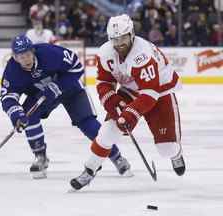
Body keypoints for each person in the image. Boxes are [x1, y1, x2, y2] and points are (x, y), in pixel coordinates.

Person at [70, 14, 186, 190]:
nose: (119, 43)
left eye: (123, 37)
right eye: (114, 39)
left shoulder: (143, 54)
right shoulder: (105, 52)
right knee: (108, 131)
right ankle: (90, 169)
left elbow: (150, 92)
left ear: (131, 34)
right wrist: (111, 100)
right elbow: (104, 82)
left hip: (160, 90)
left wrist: (130, 114)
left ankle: (176, 153)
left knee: (167, 149)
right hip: (131, 89)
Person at [0, 34, 133, 179]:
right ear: (14, 57)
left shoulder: (50, 53)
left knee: (88, 123)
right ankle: (40, 157)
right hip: (42, 95)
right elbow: (8, 97)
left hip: (70, 89)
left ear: (33, 51)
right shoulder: (12, 71)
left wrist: (58, 86)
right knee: (27, 115)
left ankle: (117, 157)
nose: (25, 59)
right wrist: (16, 114)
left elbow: (77, 67)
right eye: (20, 56)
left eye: (27, 54)